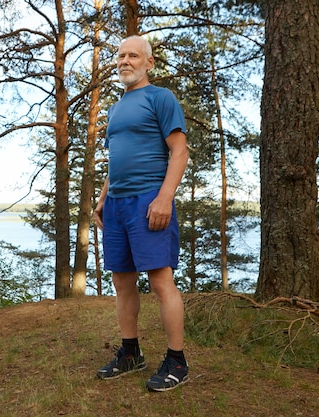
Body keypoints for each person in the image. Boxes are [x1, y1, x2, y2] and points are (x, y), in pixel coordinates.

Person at [94, 35, 190, 392]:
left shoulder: (160, 98)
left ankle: (177, 360)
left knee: (161, 280)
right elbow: (115, 159)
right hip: (117, 204)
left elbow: (179, 151)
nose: (124, 61)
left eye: (133, 55)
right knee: (122, 281)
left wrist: (164, 198)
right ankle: (131, 353)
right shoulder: (117, 107)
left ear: (148, 63)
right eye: (120, 56)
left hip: (149, 199)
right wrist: (104, 197)